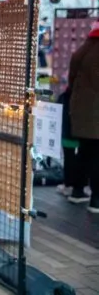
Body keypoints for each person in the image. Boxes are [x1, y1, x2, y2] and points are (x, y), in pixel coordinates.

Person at [67, 21, 99, 212]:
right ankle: (97, 198)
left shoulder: (81, 50)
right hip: (96, 113)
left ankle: (77, 191)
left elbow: (71, 82)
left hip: (81, 111)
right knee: (97, 155)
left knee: (85, 152)